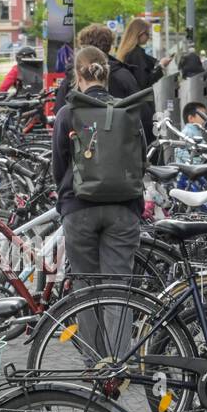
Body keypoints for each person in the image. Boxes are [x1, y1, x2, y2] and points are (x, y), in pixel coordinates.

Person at [52, 46, 143, 355]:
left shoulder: (68, 113)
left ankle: (96, 364)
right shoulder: (128, 111)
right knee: (118, 289)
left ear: (78, 76)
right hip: (123, 209)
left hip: (79, 211)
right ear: (105, 74)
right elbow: (140, 159)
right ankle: (119, 362)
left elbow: (59, 166)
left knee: (87, 289)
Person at [53, 23, 149, 144]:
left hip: (82, 154)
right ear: (109, 47)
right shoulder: (124, 76)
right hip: (119, 151)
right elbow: (143, 116)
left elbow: (60, 114)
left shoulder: (73, 77)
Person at [116, 18, 171, 90]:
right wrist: (161, 66)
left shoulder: (128, 52)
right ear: (139, 33)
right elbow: (145, 82)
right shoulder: (136, 54)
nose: (149, 37)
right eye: (147, 34)